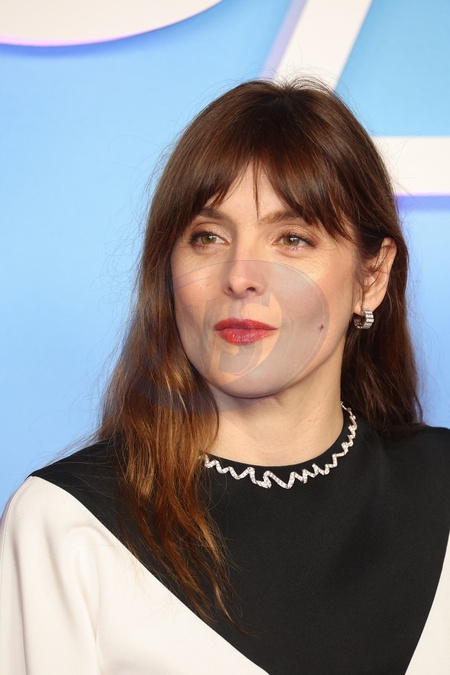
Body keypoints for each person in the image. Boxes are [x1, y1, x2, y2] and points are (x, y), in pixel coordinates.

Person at [1, 79, 449, 675]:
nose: (240, 276)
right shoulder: (65, 525)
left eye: (292, 239)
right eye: (207, 237)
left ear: (372, 277)